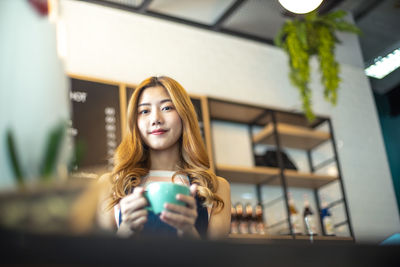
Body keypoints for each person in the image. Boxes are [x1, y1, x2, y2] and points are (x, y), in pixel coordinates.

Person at [98, 76, 231, 239]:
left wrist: (189, 233)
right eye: (144, 111)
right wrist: (126, 229)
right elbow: (102, 259)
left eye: (167, 108)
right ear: (135, 122)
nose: (156, 120)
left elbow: (217, 261)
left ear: (184, 115)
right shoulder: (111, 185)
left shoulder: (217, 187)